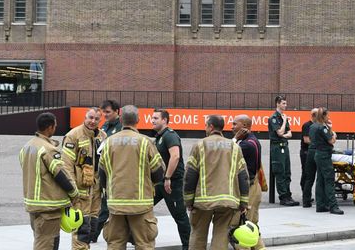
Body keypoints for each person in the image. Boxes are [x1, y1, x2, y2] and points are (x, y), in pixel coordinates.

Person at [98, 105, 165, 249]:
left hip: (115, 204)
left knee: (115, 243)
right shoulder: (145, 142)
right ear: (138, 120)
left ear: (121, 119)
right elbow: (159, 173)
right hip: (140, 204)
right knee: (144, 244)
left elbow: (101, 174)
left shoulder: (108, 142)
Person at [185, 115, 250, 249]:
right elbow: (243, 176)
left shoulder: (199, 145)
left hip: (202, 202)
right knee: (221, 237)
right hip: (228, 201)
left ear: (211, 127)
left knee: (198, 235)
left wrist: (188, 201)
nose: (205, 128)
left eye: (205, 125)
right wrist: (243, 202)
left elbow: (190, 175)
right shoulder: (234, 147)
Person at [20, 112, 80, 250]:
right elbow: (60, 174)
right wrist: (74, 193)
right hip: (48, 206)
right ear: (50, 127)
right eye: (55, 125)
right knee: (47, 243)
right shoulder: (48, 149)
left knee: (40, 239)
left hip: (33, 204)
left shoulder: (27, 147)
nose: (55, 128)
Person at [61, 107, 106, 249]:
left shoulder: (103, 136)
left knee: (92, 227)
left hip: (97, 191)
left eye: (96, 119)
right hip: (80, 192)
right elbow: (66, 165)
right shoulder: (73, 136)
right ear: (85, 117)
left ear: (100, 120)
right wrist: (72, 190)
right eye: (90, 117)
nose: (93, 121)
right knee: (81, 228)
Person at [151, 109, 191, 250]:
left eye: (156, 118)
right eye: (152, 117)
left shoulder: (170, 136)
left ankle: (188, 246)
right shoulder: (159, 137)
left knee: (180, 216)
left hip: (172, 183)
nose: (153, 120)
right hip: (160, 183)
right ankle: (134, 238)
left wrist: (168, 177)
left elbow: (175, 156)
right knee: (143, 206)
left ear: (165, 120)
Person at [90, 99, 123, 243]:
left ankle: (93, 234)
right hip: (103, 170)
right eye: (103, 112)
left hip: (116, 172)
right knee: (102, 205)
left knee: (105, 206)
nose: (105, 114)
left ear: (117, 112)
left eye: (108, 112)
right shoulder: (104, 125)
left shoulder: (121, 127)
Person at [232, 115, 267, 250]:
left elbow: (227, 152)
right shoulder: (252, 141)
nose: (232, 127)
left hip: (249, 190)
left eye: (235, 124)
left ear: (244, 127)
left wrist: (235, 139)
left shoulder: (246, 145)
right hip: (253, 188)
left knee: (245, 227)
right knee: (251, 224)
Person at [309, 108, 343, 214]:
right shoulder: (322, 127)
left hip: (318, 154)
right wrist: (333, 133)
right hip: (324, 155)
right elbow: (331, 140)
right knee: (329, 180)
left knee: (320, 180)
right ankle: (333, 206)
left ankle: (320, 205)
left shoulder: (313, 126)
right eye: (328, 115)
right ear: (323, 116)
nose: (329, 117)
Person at [268, 95, 299, 206]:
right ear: (278, 103)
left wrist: (284, 134)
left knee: (287, 172)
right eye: (283, 103)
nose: (285, 105)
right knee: (280, 172)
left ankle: (288, 195)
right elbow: (280, 133)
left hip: (285, 146)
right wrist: (285, 121)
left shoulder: (283, 117)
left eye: (285, 103)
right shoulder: (274, 118)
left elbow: (290, 133)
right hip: (277, 147)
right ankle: (283, 197)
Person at [300, 108, 318, 207]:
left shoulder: (316, 125)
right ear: (314, 115)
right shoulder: (307, 125)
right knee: (307, 175)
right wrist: (319, 142)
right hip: (306, 152)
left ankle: (307, 195)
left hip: (312, 151)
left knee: (310, 175)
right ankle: (305, 196)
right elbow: (306, 140)